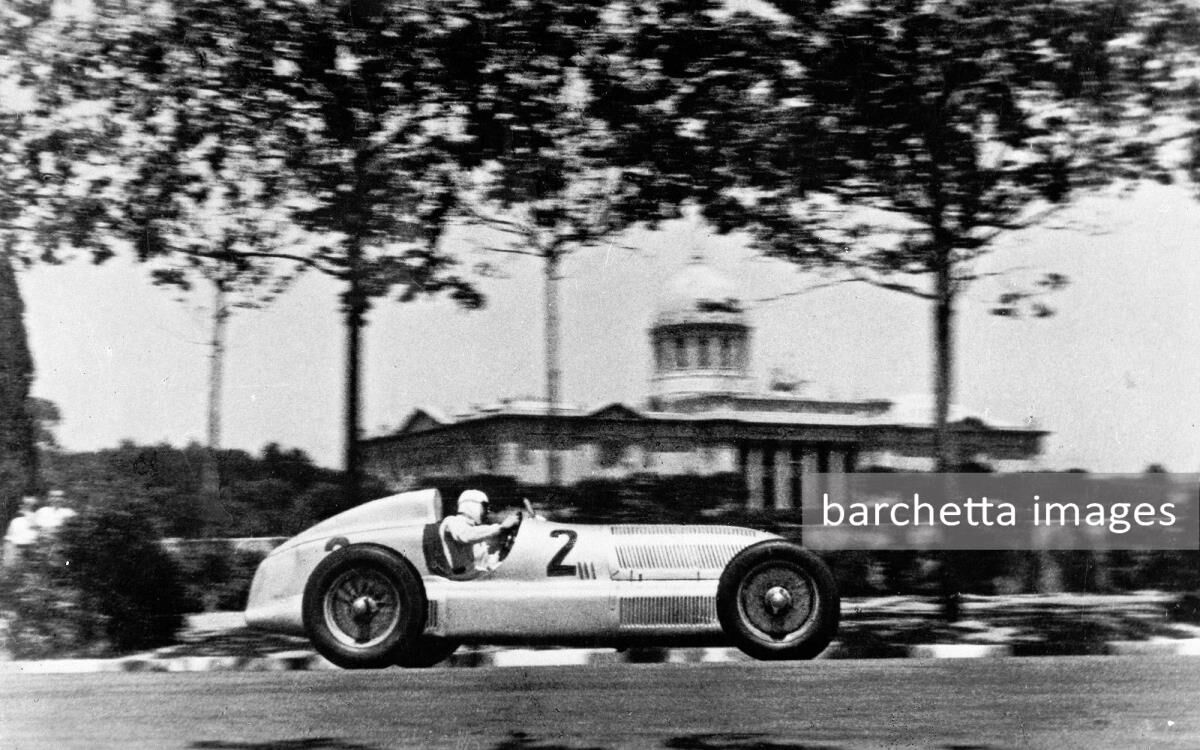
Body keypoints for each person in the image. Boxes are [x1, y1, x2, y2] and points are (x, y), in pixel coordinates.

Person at [440, 489, 520, 575]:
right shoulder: (452, 521)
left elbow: (485, 564)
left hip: (471, 579)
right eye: (484, 506)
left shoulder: (476, 534)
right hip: (458, 578)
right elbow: (466, 535)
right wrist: (501, 527)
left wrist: (506, 551)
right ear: (472, 505)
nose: (488, 511)